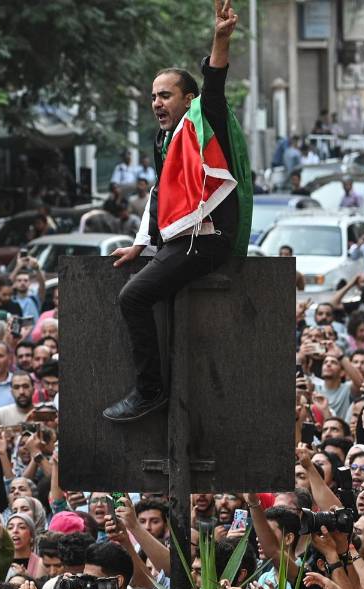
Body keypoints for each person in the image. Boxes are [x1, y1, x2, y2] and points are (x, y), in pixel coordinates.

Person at [103, 0, 246, 422]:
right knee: (140, 290)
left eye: (165, 95)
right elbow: (159, 195)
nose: (157, 103)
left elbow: (215, 83)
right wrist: (140, 245)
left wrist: (220, 39)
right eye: (153, 97)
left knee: (133, 297)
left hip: (208, 240)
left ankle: (149, 393)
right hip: (178, 241)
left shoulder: (206, 119)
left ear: (189, 99)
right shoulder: (164, 140)